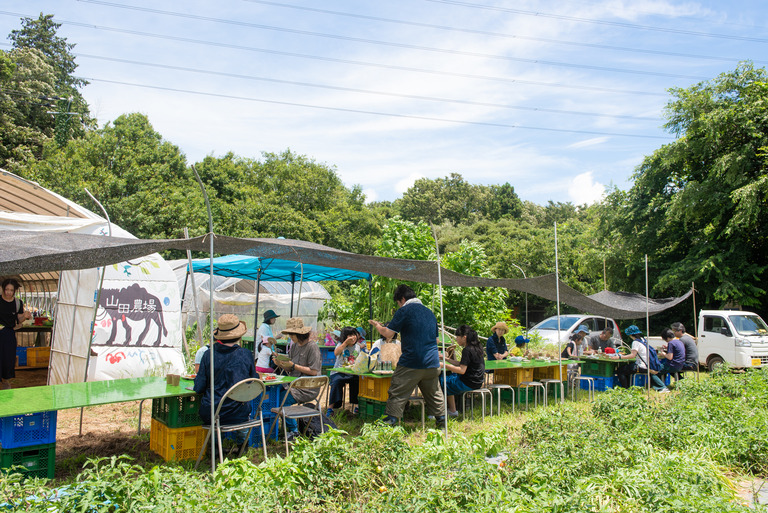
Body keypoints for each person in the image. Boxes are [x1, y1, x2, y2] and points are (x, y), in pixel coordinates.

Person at [369, 284, 445, 428]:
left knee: (397, 390)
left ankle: (390, 423)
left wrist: (377, 326)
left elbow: (388, 334)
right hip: (432, 363)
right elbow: (436, 340)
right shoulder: (430, 313)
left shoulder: (405, 310)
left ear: (402, 299)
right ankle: (442, 423)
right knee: (435, 393)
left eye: (398, 303)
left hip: (412, 361)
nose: (398, 306)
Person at [193, 314, 257, 436]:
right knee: (244, 410)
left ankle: (216, 446)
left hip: (213, 412)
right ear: (239, 335)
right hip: (239, 412)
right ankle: (241, 446)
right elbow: (252, 381)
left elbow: (199, 387)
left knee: (212, 413)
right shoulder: (246, 354)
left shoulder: (208, 355)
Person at [271, 317, 322, 441]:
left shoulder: (312, 347)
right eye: (289, 334)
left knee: (282, 399)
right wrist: (281, 364)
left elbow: (314, 371)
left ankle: (294, 431)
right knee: (274, 393)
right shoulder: (294, 347)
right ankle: (275, 429)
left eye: (292, 334)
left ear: (301, 334)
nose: (290, 336)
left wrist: (293, 365)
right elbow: (291, 369)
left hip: (307, 387)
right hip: (293, 384)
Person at [439, 325, 485, 417]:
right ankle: (452, 411)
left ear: (464, 337)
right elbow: (462, 363)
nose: (456, 339)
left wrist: (444, 365)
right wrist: (446, 359)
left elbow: (462, 370)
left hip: (467, 383)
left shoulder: (467, 350)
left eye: (457, 337)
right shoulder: (477, 347)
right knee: (447, 380)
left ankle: (438, 412)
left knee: (440, 381)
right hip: (478, 382)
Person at [613, 325, 668, 391]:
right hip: (648, 365)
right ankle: (629, 386)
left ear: (630, 335)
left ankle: (626, 389)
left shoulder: (635, 342)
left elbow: (632, 355)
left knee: (620, 370)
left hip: (641, 366)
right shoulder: (643, 340)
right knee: (626, 369)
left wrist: (619, 357)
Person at [0, 279, 32, 390]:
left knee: (8, 360)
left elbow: (19, 319)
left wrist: (25, 316)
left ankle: (6, 384)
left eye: (11, 290)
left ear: (14, 291)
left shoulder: (17, 303)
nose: (8, 292)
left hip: (9, 335)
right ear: (3, 289)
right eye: (7, 289)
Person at [327, 326, 366, 416]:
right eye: (350, 335)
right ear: (345, 337)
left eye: (354, 334)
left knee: (358, 381)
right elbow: (336, 353)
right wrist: (345, 343)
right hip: (338, 372)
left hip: (352, 372)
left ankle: (356, 406)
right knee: (336, 382)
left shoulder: (357, 347)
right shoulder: (341, 344)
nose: (353, 337)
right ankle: (331, 408)